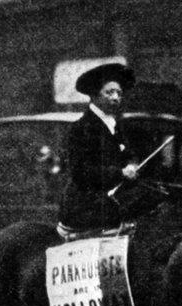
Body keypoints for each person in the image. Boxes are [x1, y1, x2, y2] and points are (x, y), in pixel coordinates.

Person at [59, 63, 140, 231]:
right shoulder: (81, 128)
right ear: (94, 95)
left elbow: (128, 153)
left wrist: (132, 164)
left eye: (119, 93)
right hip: (86, 205)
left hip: (114, 197)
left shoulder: (115, 125)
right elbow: (80, 172)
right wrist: (120, 173)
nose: (116, 97)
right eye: (109, 92)